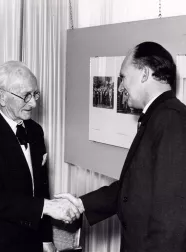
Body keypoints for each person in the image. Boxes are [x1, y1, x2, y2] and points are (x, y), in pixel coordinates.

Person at [57, 41, 186, 252]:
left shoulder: (172, 121)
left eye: (123, 77)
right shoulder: (159, 117)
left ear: (144, 74)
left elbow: (171, 220)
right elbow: (132, 187)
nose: (120, 86)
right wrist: (81, 204)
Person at [0, 61, 79, 252]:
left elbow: (41, 189)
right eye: (26, 96)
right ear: (2, 97)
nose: (34, 103)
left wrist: (45, 238)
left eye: (35, 94)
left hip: (27, 239)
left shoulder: (35, 131)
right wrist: (46, 207)